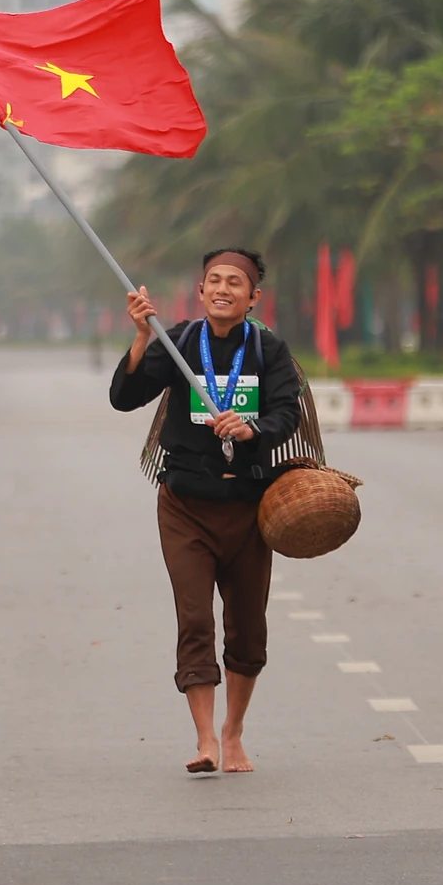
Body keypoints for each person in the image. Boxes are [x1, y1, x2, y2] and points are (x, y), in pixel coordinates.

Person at [107, 247, 302, 776]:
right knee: (194, 619)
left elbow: (288, 412)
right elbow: (124, 398)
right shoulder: (179, 342)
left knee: (246, 627)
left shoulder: (268, 350)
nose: (222, 289)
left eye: (235, 282)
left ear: (253, 297)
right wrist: (144, 336)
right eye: (213, 280)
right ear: (200, 291)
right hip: (184, 505)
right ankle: (205, 740)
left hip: (249, 507)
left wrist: (253, 428)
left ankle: (234, 733)